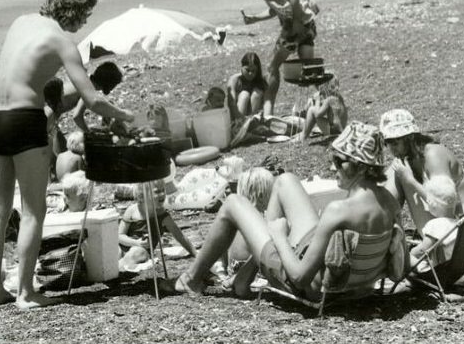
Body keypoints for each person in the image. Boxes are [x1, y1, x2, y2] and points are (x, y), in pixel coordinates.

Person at [0, 0, 134, 310]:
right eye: (84, 16)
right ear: (74, 11)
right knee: (32, 211)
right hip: (26, 120)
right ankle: (25, 292)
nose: (84, 23)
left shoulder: (20, 22)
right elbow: (92, 99)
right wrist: (125, 115)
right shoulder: (62, 42)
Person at [170, 122, 403, 301]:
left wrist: (279, 237)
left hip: (315, 288)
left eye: (339, 160)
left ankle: (190, 280)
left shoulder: (339, 211)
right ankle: (246, 275)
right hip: (353, 287)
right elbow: (396, 264)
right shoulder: (389, 203)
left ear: (360, 167)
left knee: (233, 202)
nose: (332, 166)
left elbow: (301, 278)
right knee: (285, 180)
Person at [234, 0, 320, 117]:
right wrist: (255, 18)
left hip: (294, 28)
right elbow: (278, 8)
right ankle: (329, 102)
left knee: (272, 68)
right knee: (309, 70)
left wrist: (294, 24)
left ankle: (268, 113)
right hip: (308, 24)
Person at [380, 108, 464, 234]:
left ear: (410, 137)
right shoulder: (410, 159)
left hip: (458, 230)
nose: (391, 149)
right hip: (444, 229)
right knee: (396, 170)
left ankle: (382, 238)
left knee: (399, 172)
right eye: (387, 142)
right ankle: (379, 235)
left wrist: (411, 181)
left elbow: (445, 210)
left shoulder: (434, 155)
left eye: (395, 142)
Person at [118, 179, 197, 269]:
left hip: (142, 250)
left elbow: (181, 237)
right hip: (125, 245)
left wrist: (195, 253)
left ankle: (117, 269)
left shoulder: (162, 216)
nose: (162, 194)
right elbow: (120, 236)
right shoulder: (132, 210)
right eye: (157, 191)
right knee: (115, 252)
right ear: (142, 195)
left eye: (163, 190)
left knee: (136, 253)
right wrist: (136, 242)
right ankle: (113, 269)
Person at [409, 175, 459, 267]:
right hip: (456, 268)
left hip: (439, 271)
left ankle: (410, 279)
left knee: (406, 257)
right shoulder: (458, 222)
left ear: (431, 203)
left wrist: (412, 252)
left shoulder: (434, 225)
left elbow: (423, 249)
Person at [300, 74, 348, 140]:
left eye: (319, 86)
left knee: (312, 110)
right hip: (341, 129)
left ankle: (303, 136)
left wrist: (317, 100)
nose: (318, 89)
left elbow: (317, 114)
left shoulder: (329, 100)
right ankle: (304, 131)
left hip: (334, 132)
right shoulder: (337, 97)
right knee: (312, 108)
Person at [227, 52, 268, 119]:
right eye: (247, 70)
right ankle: (240, 123)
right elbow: (231, 103)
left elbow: (265, 105)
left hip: (254, 116)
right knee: (244, 95)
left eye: (253, 71)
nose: (250, 73)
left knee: (257, 94)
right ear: (241, 67)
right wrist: (240, 117)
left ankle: (251, 122)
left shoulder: (262, 82)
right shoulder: (234, 80)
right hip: (237, 116)